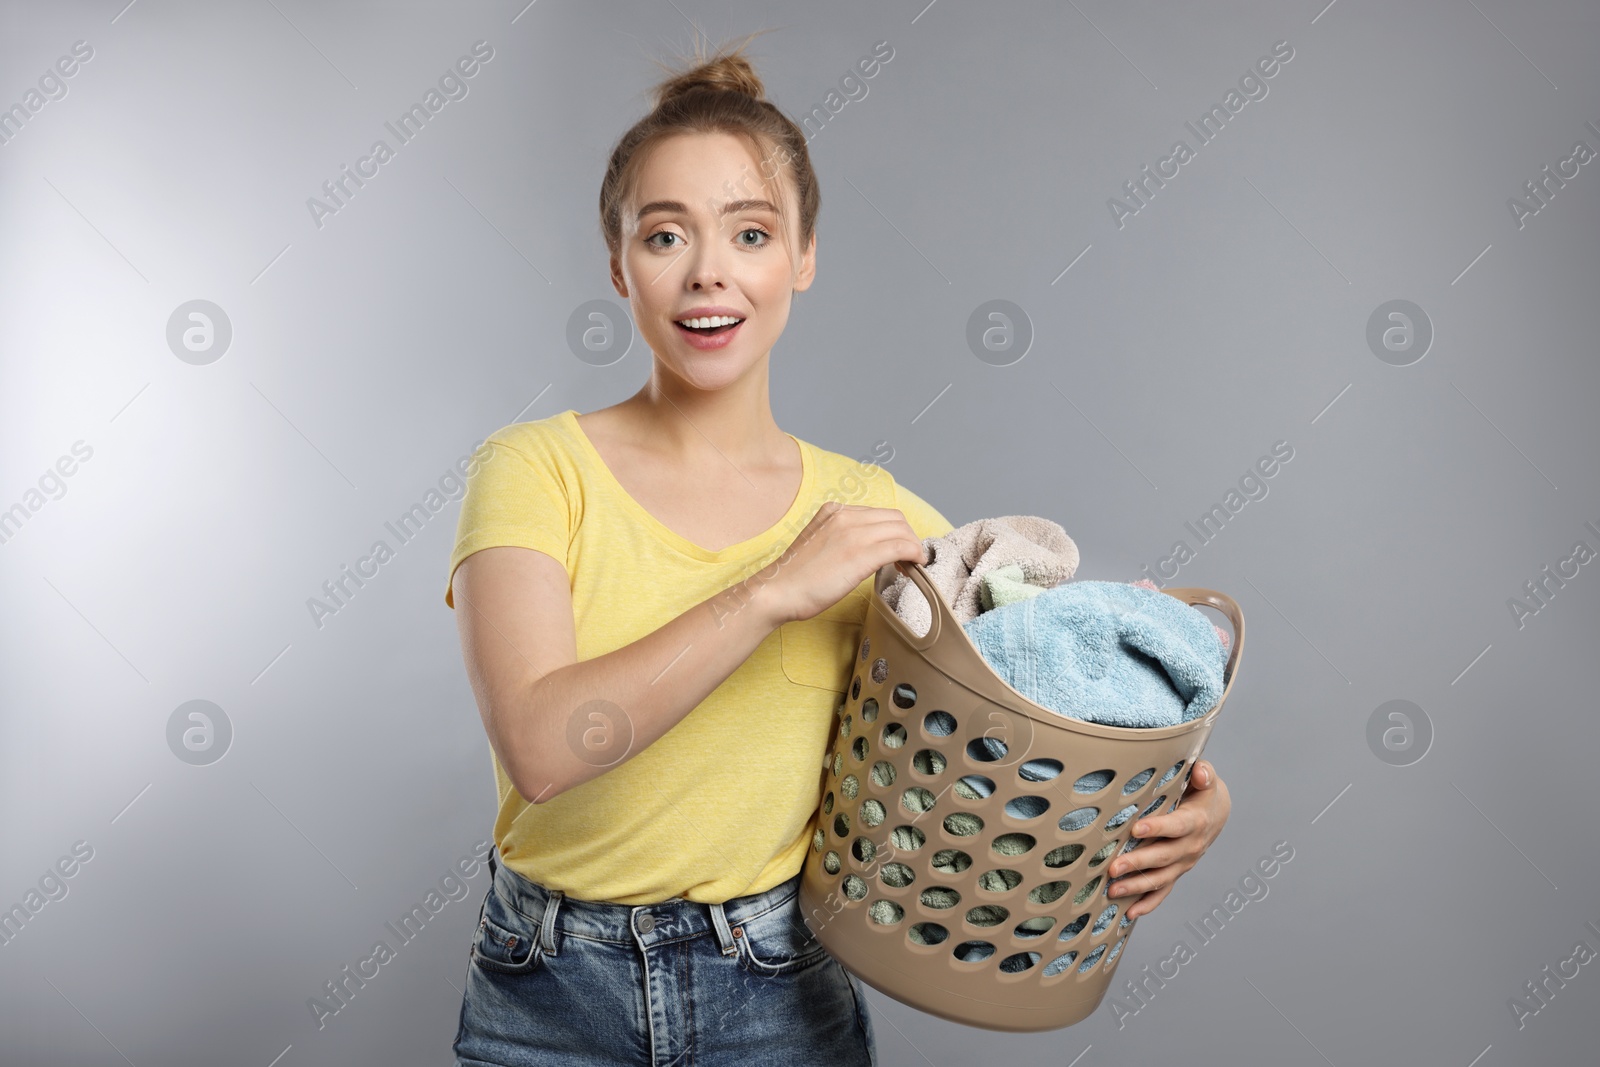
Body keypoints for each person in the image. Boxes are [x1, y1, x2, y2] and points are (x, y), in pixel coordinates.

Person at [445, 32, 1231, 1066]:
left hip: (773, 992)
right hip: (546, 988)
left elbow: (1039, 697)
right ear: (619, 267)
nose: (708, 272)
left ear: (804, 256)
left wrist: (1172, 795)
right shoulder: (533, 468)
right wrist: (772, 590)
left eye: (752, 233)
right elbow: (547, 748)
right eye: (665, 235)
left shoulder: (876, 517)